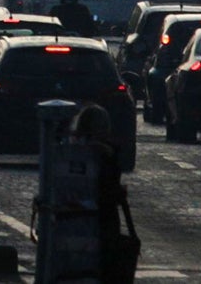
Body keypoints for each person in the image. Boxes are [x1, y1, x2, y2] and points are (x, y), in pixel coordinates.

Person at [71, 104, 138, 284]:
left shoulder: (71, 152)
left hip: (75, 219)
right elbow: (109, 186)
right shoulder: (107, 153)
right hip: (104, 217)